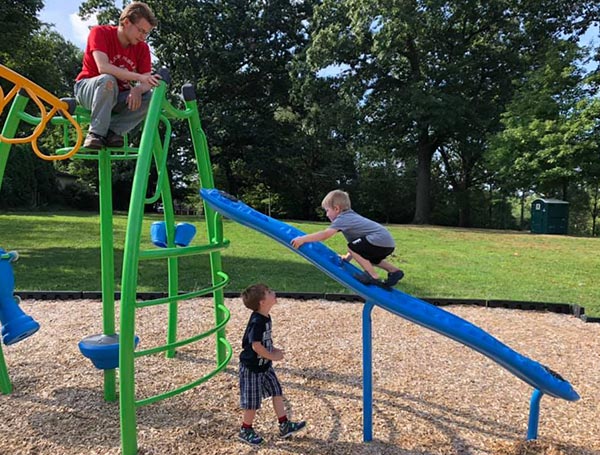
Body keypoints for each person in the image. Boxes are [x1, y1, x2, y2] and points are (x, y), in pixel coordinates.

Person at [74, 2, 162, 149]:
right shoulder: (100, 33)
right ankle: (95, 134)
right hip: (89, 89)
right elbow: (103, 67)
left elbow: (148, 80)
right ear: (126, 22)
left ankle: (113, 131)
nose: (143, 37)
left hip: (117, 95)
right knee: (108, 80)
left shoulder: (142, 48)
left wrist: (137, 90)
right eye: (141, 31)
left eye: (146, 33)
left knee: (150, 97)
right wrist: (139, 78)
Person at [237, 283, 306, 445]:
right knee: (252, 403)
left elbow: (264, 341)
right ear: (262, 301)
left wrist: (273, 350)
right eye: (269, 292)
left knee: (277, 391)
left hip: (264, 366)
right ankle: (245, 429)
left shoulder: (266, 317)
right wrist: (272, 356)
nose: (273, 292)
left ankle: (284, 425)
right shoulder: (257, 321)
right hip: (252, 368)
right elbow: (256, 346)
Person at [291, 189, 404, 288]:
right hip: (386, 243)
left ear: (336, 209)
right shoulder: (350, 216)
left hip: (379, 239)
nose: (326, 214)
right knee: (369, 257)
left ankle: (372, 275)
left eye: (327, 210)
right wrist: (348, 257)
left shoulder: (343, 218)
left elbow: (325, 235)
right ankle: (394, 271)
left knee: (352, 247)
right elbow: (359, 242)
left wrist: (303, 239)